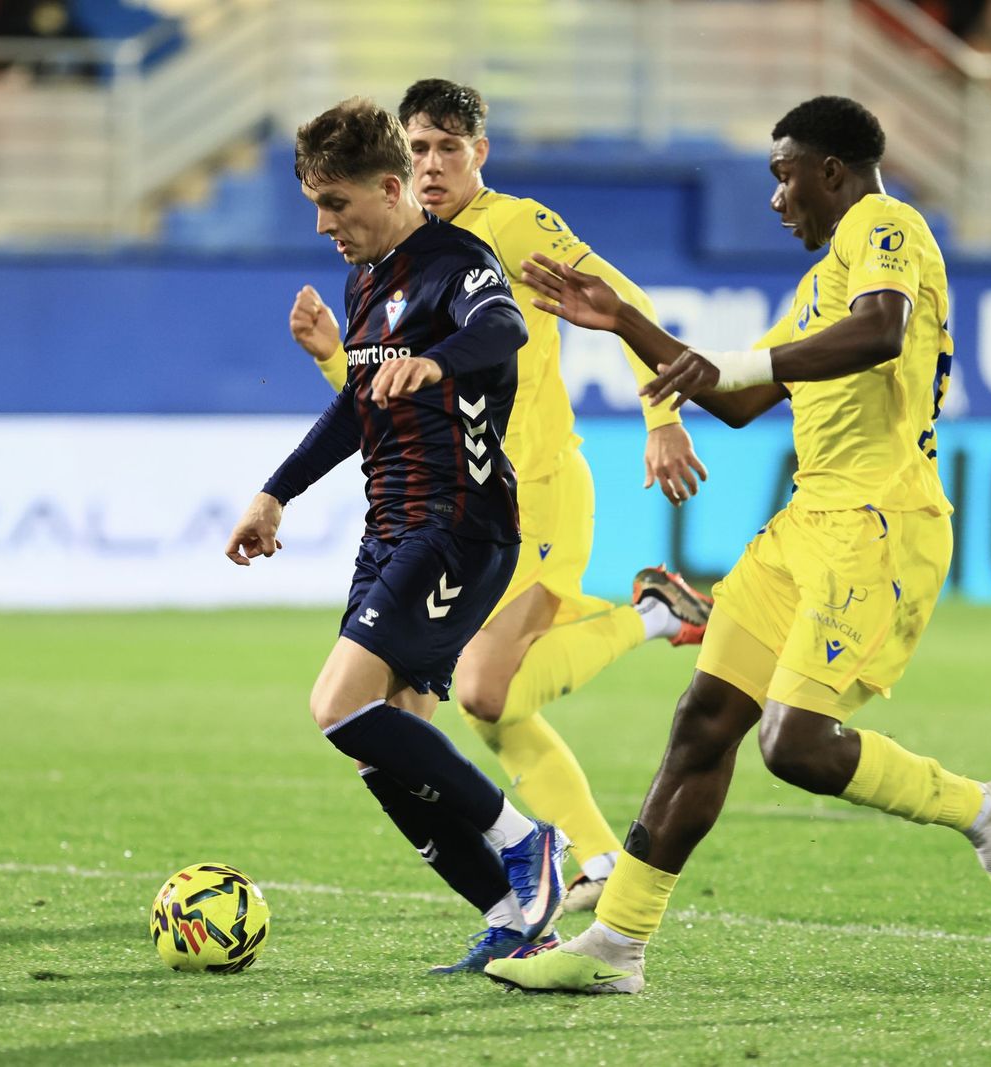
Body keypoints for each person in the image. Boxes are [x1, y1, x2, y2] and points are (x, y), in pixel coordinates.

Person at [485, 96, 991, 995]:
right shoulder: (820, 283)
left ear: (831, 170)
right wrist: (624, 322)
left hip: (878, 525)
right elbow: (739, 397)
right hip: (804, 525)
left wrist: (748, 363)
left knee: (795, 746)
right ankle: (618, 945)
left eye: (785, 177)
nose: (777, 199)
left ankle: (985, 808)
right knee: (704, 723)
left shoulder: (887, 225)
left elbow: (881, 331)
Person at [288, 78, 714, 918]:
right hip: (459, 506)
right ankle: (588, 862)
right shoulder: (392, 259)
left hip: (539, 497)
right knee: (461, 716)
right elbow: (396, 400)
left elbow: (623, 304)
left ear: (479, 154)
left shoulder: (515, 228)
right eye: (419, 148)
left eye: (451, 148)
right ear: (396, 164)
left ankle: (654, 615)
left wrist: (661, 415)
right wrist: (338, 363)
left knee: (485, 691)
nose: (433, 164)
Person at [224, 97, 569, 975]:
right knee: (387, 748)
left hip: (459, 527)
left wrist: (440, 358)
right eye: (315, 205)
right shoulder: (365, 282)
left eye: (336, 204)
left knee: (336, 705)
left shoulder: (457, 261)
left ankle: (528, 841)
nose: (324, 224)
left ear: (389, 186)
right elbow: (357, 403)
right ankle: (513, 915)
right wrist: (276, 494)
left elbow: (505, 328)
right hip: (391, 531)